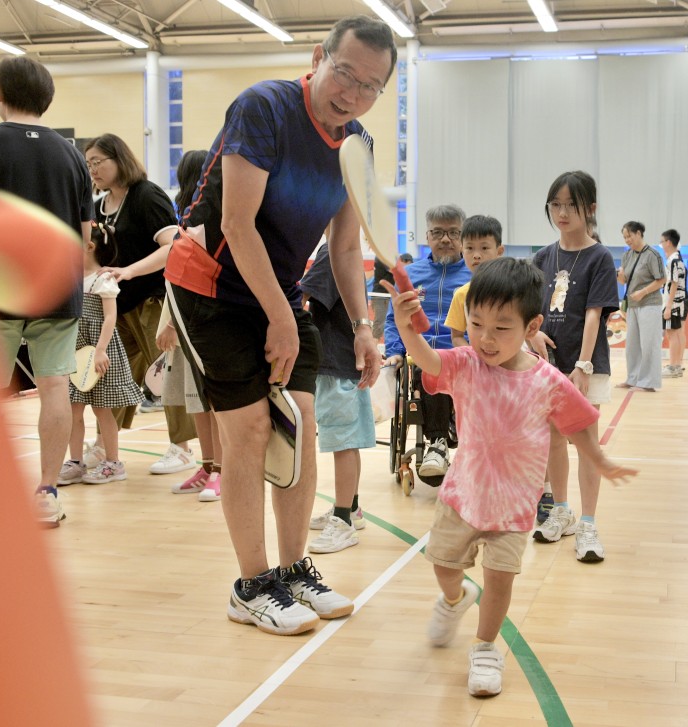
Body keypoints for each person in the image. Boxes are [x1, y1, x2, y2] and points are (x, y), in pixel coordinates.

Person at [163, 15, 395, 635]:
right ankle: (251, 584)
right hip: (209, 286)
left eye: (370, 86)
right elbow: (238, 227)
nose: (352, 93)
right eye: (345, 73)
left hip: (278, 290)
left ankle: (295, 570)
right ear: (320, 57)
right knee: (249, 429)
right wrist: (280, 319)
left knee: (301, 424)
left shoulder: (356, 146)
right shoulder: (262, 107)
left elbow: (346, 250)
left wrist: (364, 327)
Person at [384, 257, 636, 697]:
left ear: (531, 325)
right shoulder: (465, 363)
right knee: (443, 566)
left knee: (499, 581)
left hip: (514, 506)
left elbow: (579, 424)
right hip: (462, 496)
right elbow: (426, 357)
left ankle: (485, 648)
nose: (485, 338)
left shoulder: (547, 381)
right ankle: (455, 599)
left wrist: (598, 460)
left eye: (501, 327)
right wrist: (407, 328)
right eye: (477, 323)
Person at [0, 56, 93, 527]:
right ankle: (46, 493)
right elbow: (85, 235)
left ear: (0, 95)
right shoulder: (72, 155)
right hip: (59, 288)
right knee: (54, 388)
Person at [82, 134, 198, 477]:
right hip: (116, 305)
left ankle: (182, 447)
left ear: (120, 159)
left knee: (166, 373)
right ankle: (105, 444)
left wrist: (128, 271)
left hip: (153, 300)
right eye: (89, 164)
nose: (94, 169)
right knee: (110, 377)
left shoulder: (147, 196)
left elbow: (173, 245)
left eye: (99, 161)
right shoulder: (98, 205)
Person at [529, 171, 620, 562]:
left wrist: (582, 365)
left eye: (570, 205)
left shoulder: (599, 256)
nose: (562, 212)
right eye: (556, 205)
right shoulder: (541, 257)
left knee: (585, 442)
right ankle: (561, 511)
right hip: (547, 365)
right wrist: (531, 336)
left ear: (591, 209)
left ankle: (587, 522)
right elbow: (528, 311)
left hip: (585, 364)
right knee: (552, 439)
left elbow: (594, 315)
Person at [384, 205, 472, 477]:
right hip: (421, 355)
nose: (445, 239)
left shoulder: (476, 275)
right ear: (427, 236)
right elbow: (392, 320)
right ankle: (438, 442)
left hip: (464, 356)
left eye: (453, 233)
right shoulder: (410, 275)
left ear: (462, 236)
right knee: (426, 368)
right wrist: (395, 351)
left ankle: (452, 428)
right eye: (437, 233)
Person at [301, 243, 375, 553]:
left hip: (335, 363)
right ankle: (351, 508)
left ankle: (343, 519)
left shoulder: (332, 251)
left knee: (342, 443)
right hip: (345, 361)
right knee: (348, 441)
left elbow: (300, 297)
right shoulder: (342, 250)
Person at [59, 223, 142, 485]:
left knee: (102, 409)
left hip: (98, 352)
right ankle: (75, 462)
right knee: (73, 408)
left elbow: (109, 318)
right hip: (75, 352)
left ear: (89, 246)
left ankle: (113, 463)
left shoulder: (102, 280)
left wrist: (101, 350)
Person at [164, 150, 224, 501]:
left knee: (216, 401)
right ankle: (208, 464)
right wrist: (169, 320)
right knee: (197, 399)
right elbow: (176, 274)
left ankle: (223, 469)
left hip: (212, 320)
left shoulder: (217, 215)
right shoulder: (185, 220)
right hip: (185, 317)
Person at [616, 221, 666, 392]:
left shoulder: (653, 255)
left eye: (629, 236)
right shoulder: (627, 255)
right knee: (632, 345)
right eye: (624, 237)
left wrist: (643, 292)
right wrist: (620, 276)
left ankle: (649, 382)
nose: (627, 240)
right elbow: (624, 281)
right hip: (632, 305)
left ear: (638, 233)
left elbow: (661, 280)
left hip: (649, 304)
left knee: (649, 343)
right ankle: (633, 378)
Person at [445, 215, 505, 348]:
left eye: (484, 248)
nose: (476, 255)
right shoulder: (461, 295)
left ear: (499, 251)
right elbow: (456, 337)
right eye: (470, 248)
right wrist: (474, 357)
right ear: (462, 250)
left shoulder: (514, 289)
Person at [660, 229, 688, 379]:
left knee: (672, 334)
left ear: (668, 242)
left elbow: (674, 283)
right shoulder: (676, 259)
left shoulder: (673, 260)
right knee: (676, 333)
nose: (661, 244)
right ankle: (676, 365)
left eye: (662, 241)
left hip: (675, 302)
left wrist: (669, 306)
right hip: (678, 301)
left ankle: (673, 366)